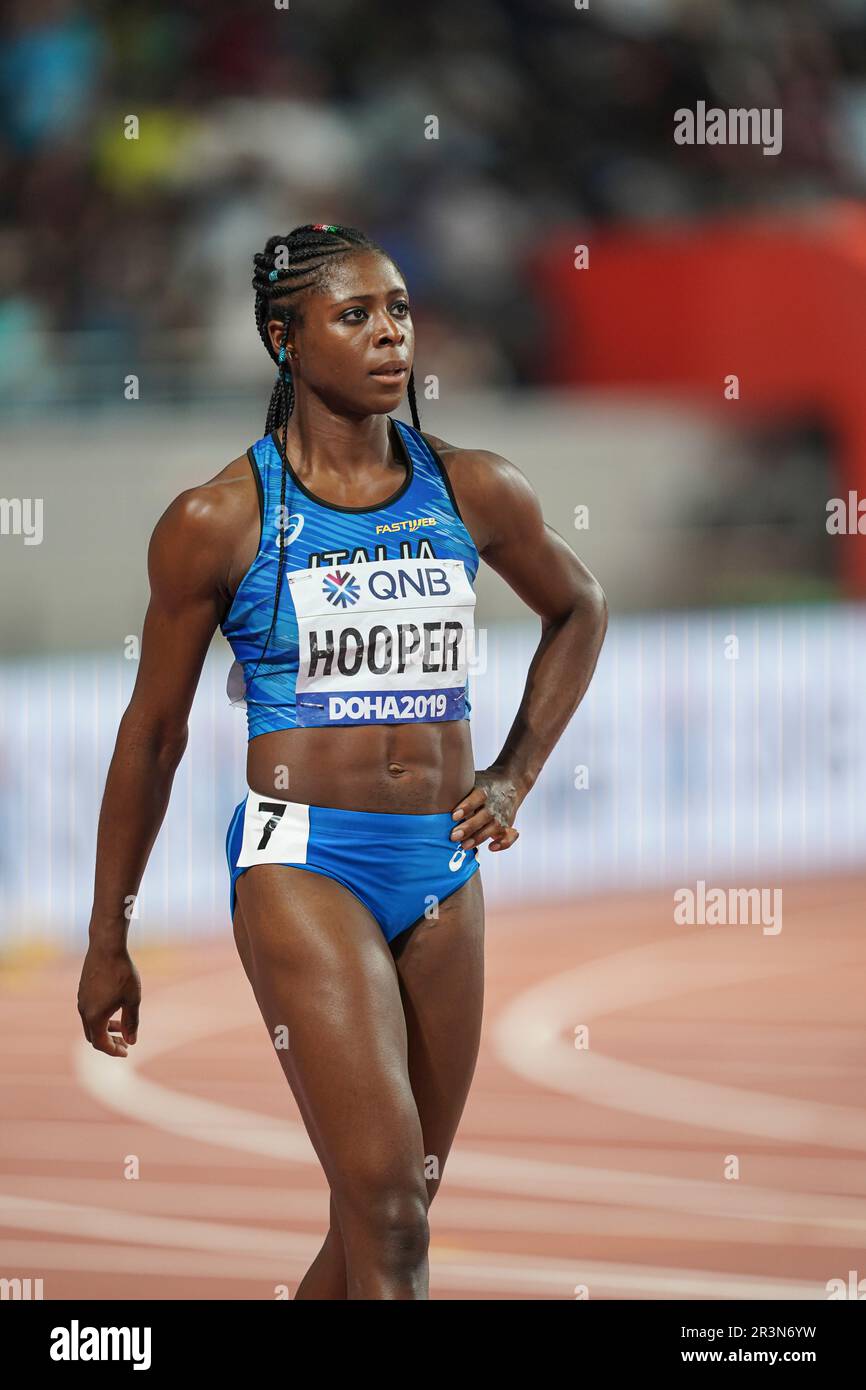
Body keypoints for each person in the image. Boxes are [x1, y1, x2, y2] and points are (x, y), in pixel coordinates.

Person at [77, 222, 608, 1300]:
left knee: (383, 1221)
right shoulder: (218, 520)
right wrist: (106, 939)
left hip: (443, 870)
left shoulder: (473, 489)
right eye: (354, 315)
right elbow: (153, 735)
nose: (389, 336)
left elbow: (578, 606)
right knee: (392, 1216)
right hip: (302, 864)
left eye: (400, 309)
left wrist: (510, 773)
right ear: (284, 340)